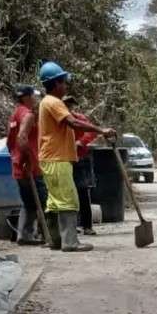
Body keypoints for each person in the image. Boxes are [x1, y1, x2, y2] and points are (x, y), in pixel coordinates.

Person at [37, 62, 115, 251]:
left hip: (50, 159)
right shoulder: (54, 102)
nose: (66, 86)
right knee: (69, 200)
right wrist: (101, 130)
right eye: (64, 82)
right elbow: (73, 122)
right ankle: (70, 242)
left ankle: (55, 240)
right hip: (57, 159)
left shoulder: (46, 102)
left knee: (54, 202)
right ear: (56, 83)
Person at [6, 85, 46, 245]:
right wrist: (29, 160)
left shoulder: (14, 114)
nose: (36, 99)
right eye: (33, 96)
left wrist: (16, 158)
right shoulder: (27, 115)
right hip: (29, 167)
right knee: (44, 201)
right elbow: (21, 138)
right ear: (27, 97)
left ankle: (24, 235)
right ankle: (48, 234)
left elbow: (10, 141)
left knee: (28, 203)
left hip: (18, 165)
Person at [64, 96, 98, 237]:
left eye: (70, 105)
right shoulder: (57, 120)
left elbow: (91, 131)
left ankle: (87, 226)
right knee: (66, 195)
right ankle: (71, 225)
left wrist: (81, 142)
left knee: (83, 192)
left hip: (80, 159)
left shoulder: (79, 119)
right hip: (63, 160)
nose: (69, 107)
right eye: (66, 104)